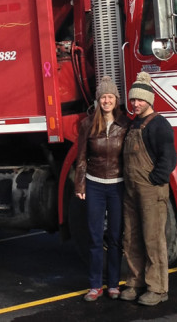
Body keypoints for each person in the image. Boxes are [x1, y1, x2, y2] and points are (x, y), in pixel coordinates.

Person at [120, 71, 177, 306]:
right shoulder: (133, 123)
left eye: (140, 100)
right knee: (131, 237)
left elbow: (169, 158)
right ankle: (135, 282)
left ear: (149, 100)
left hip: (151, 190)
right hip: (131, 190)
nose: (135, 104)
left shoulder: (159, 124)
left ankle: (158, 288)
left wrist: (156, 179)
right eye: (133, 100)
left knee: (153, 239)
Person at [74, 76, 129, 302]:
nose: (106, 101)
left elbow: (129, 157)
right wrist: (80, 184)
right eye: (103, 97)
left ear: (116, 100)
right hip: (95, 185)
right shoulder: (87, 124)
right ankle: (95, 285)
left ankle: (114, 285)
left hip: (117, 186)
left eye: (110, 97)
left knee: (115, 238)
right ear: (98, 100)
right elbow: (81, 158)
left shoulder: (125, 124)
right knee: (96, 238)